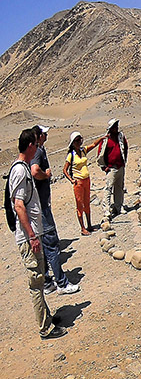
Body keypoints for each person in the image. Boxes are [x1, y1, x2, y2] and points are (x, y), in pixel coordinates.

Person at [7, 128, 66, 339]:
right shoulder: (20, 171)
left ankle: (47, 318)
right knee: (36, 282)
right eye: (36, 143)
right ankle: (45, 328)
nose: (39, 145)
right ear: (30, 145)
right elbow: (19, 206)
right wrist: (32, 235)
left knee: (40, 280)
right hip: (27, 237)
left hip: (32, 234)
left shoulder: (22, 167)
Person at [30, 126, 79, 295]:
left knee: (43, 247)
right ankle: (62, 283)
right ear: (39, 136)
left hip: (37, 207)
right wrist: (46, 175)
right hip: (41, 207)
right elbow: (35, 171)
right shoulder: (38, 151)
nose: (47, 134)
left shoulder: (34, 150)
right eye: (45, 133)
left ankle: (47, 282)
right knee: (52, 244)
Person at [63, 131, 103, 235]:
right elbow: (65, 170)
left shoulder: (83, 150)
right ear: (73, 143)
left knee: (87, 203)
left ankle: (89, 225)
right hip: (78, 182)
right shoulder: (71, 155)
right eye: (76, 140)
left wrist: (102, 138)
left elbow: (94, 145)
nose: (79, 142)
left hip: (87, 180)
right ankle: (82, 228)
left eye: (80, 139)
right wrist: (71, 180)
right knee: (79, 204)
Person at [97, 118, 127, 221]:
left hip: (120, 166)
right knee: (108, 188)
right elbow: (100, 153)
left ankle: (119, 206)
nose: (116, 128)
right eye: (114, 126)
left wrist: (124, 161)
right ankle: (106, 209)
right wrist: (104, 167)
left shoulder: (120, 137)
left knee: (119, 187)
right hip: (111, 168)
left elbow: (125, 148)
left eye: (117, 126)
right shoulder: (106, 140)